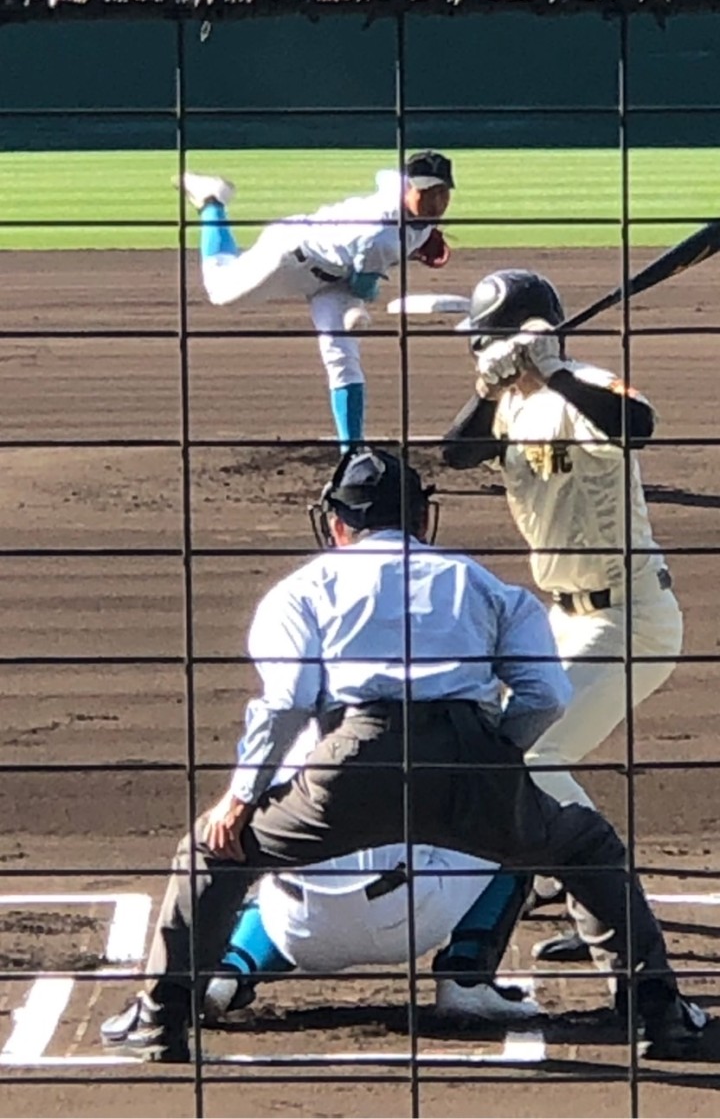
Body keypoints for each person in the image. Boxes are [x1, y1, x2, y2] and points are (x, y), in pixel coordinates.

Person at [101, 448, 705, 1063]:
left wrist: (240, 798)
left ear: (336, 523)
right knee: (585, 848)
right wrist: (495, 756)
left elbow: (286, 704)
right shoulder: (479, 582)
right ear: (422, 520)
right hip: (468, 756)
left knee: (211, 851)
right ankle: (656, 1014)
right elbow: (545, 694)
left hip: (351, 758)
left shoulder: (304, 588)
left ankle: (160, 1018)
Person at [443, 268, 684, 956]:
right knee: (495, 737)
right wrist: (487, 387)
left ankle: (594, 892)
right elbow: (456, 454)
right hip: (559, 618)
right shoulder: (511, 402)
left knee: (530, 754)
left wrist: (554, 370)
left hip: (628, 616)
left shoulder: (584, 387)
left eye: (481, 339)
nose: (473, 348)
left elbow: (639, 425)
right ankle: (554, 862)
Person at [200, 720, 538, 1027]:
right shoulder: (432, 726)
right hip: (408, 920)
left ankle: (231, 969)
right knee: (514, 821)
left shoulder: (288, 731)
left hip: (297, 927)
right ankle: (466, 977)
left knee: (285, 874)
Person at [176, 152, 453, 450]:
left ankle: (352, 453)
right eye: (427, 193)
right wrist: (398, 261)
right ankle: (213, 202)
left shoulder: (397, 189)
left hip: (335, 277)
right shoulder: (380, 237)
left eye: (442, 193)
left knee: (342, 357)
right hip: (292, 256)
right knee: (220, 289)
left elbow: (386, 181)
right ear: (408, 187)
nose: (436, 203)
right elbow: (363, 289)